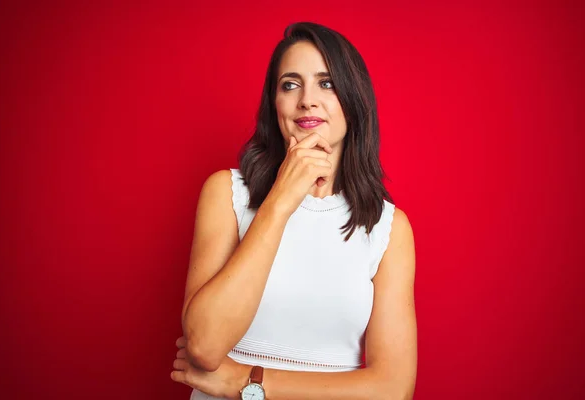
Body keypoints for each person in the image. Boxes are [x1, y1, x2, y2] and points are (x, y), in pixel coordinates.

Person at [170, 22, 417, 400]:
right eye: (290, 84)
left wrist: (247, 382)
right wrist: (282, 199)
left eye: (326, 83)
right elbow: (203, 345)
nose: (307, 100)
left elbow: (392, 389)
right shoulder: (227, 193)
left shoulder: (387, 227)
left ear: (354, 100)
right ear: (275, 103)